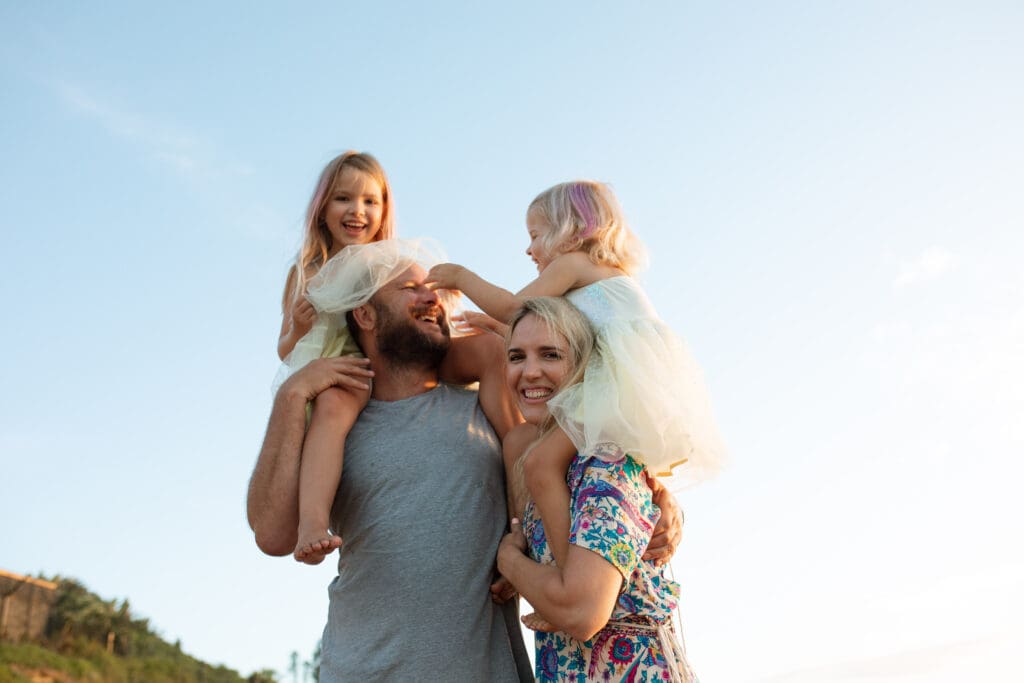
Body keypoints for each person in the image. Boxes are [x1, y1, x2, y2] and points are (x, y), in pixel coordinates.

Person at [248, 240, 684, 681]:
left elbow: (585, 470)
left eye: (432, 289)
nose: (431, 298)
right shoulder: (336, 417)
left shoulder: (493, 414)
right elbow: (273, 535)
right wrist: (290, 396)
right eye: (410, 289)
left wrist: (655, 497)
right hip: (363, 670)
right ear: (365, 315)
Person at [427, 180, 725, 574]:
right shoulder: (602, 275)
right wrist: (499, 329)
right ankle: (551, 563)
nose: (528, 249)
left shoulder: (575, 264)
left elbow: (516, 306)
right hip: (619, 389)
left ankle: (566, 576)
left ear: (567, 231)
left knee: (540, 465)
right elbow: (559, 338)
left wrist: (462, 277)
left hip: (610, 387)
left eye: (534, 236)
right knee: (529, 452)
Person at [497, 297, 698, 682]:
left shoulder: (606, 463)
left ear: (585, 366)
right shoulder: (546, 460)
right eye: (516, 356)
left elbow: (581, 612)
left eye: (551, 355)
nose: (530, 371)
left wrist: (510, 561)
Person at [274, 151, 395, 564]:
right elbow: (283, 349)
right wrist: (299, 328)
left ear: (383, 210)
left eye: (370, 201)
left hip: (358, 364)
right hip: (320, 367)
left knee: (333, 405)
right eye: (344, 199)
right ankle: (310, 524)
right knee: (326, 407)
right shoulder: (306, 270)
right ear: (323, 208)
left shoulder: (385, 263)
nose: (357, 211)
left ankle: (312, 520)